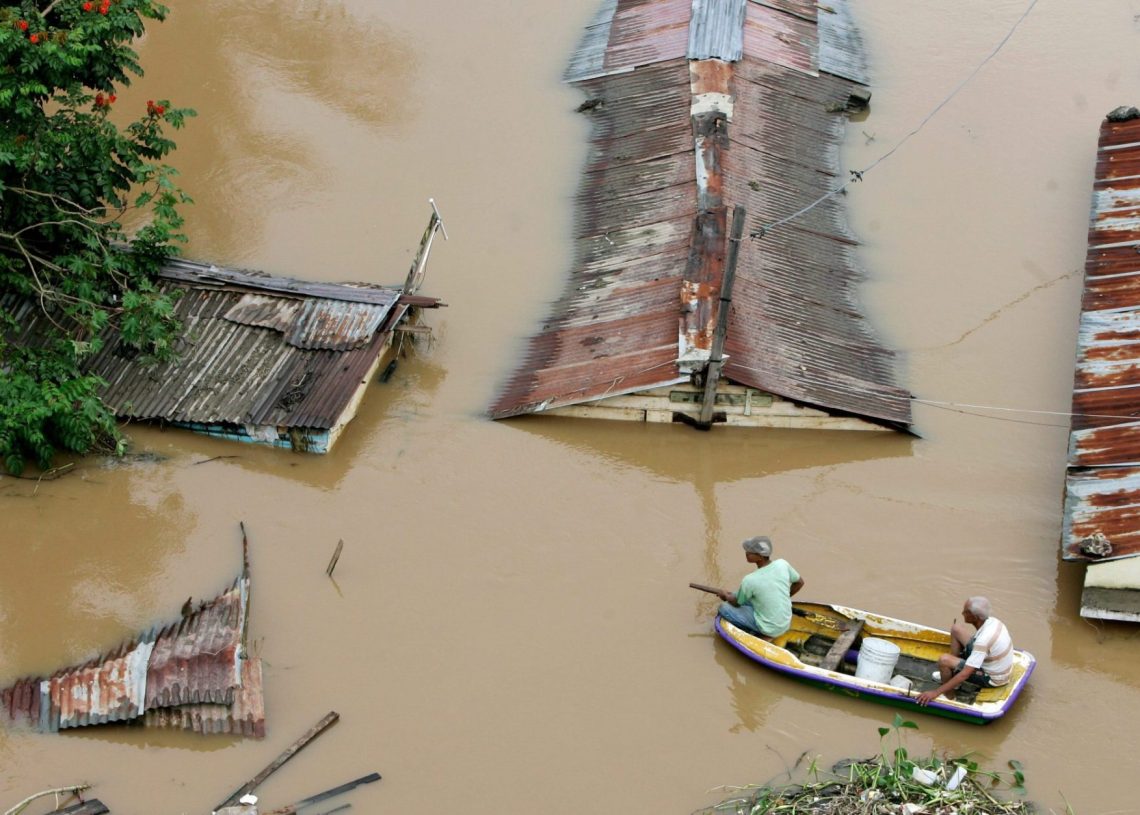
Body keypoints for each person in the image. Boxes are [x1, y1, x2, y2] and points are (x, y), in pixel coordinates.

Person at [916, 596, 1013, 706]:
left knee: (944, 660)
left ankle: (950, 696)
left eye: (966, 611)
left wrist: (935, 693)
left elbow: (965, 674)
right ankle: (950, 674)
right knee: (956, 628)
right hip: (993, 662)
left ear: (975, 617)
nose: (962, 613)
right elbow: (980, 644)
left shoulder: (983, 641)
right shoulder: (994, 621)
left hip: (993, 678)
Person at [716, 536, 804, 641]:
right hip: (786, 623)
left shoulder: (750, 580)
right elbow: (799, 583)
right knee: (738, 594)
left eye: (750, 552)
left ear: (760, 557)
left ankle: (764, 633)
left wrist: (725, 596)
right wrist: (785, 597)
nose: (746, 552)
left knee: (724, 608)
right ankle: (767, 623)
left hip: (771, 629)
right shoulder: (782, 564)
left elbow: (736, 603)